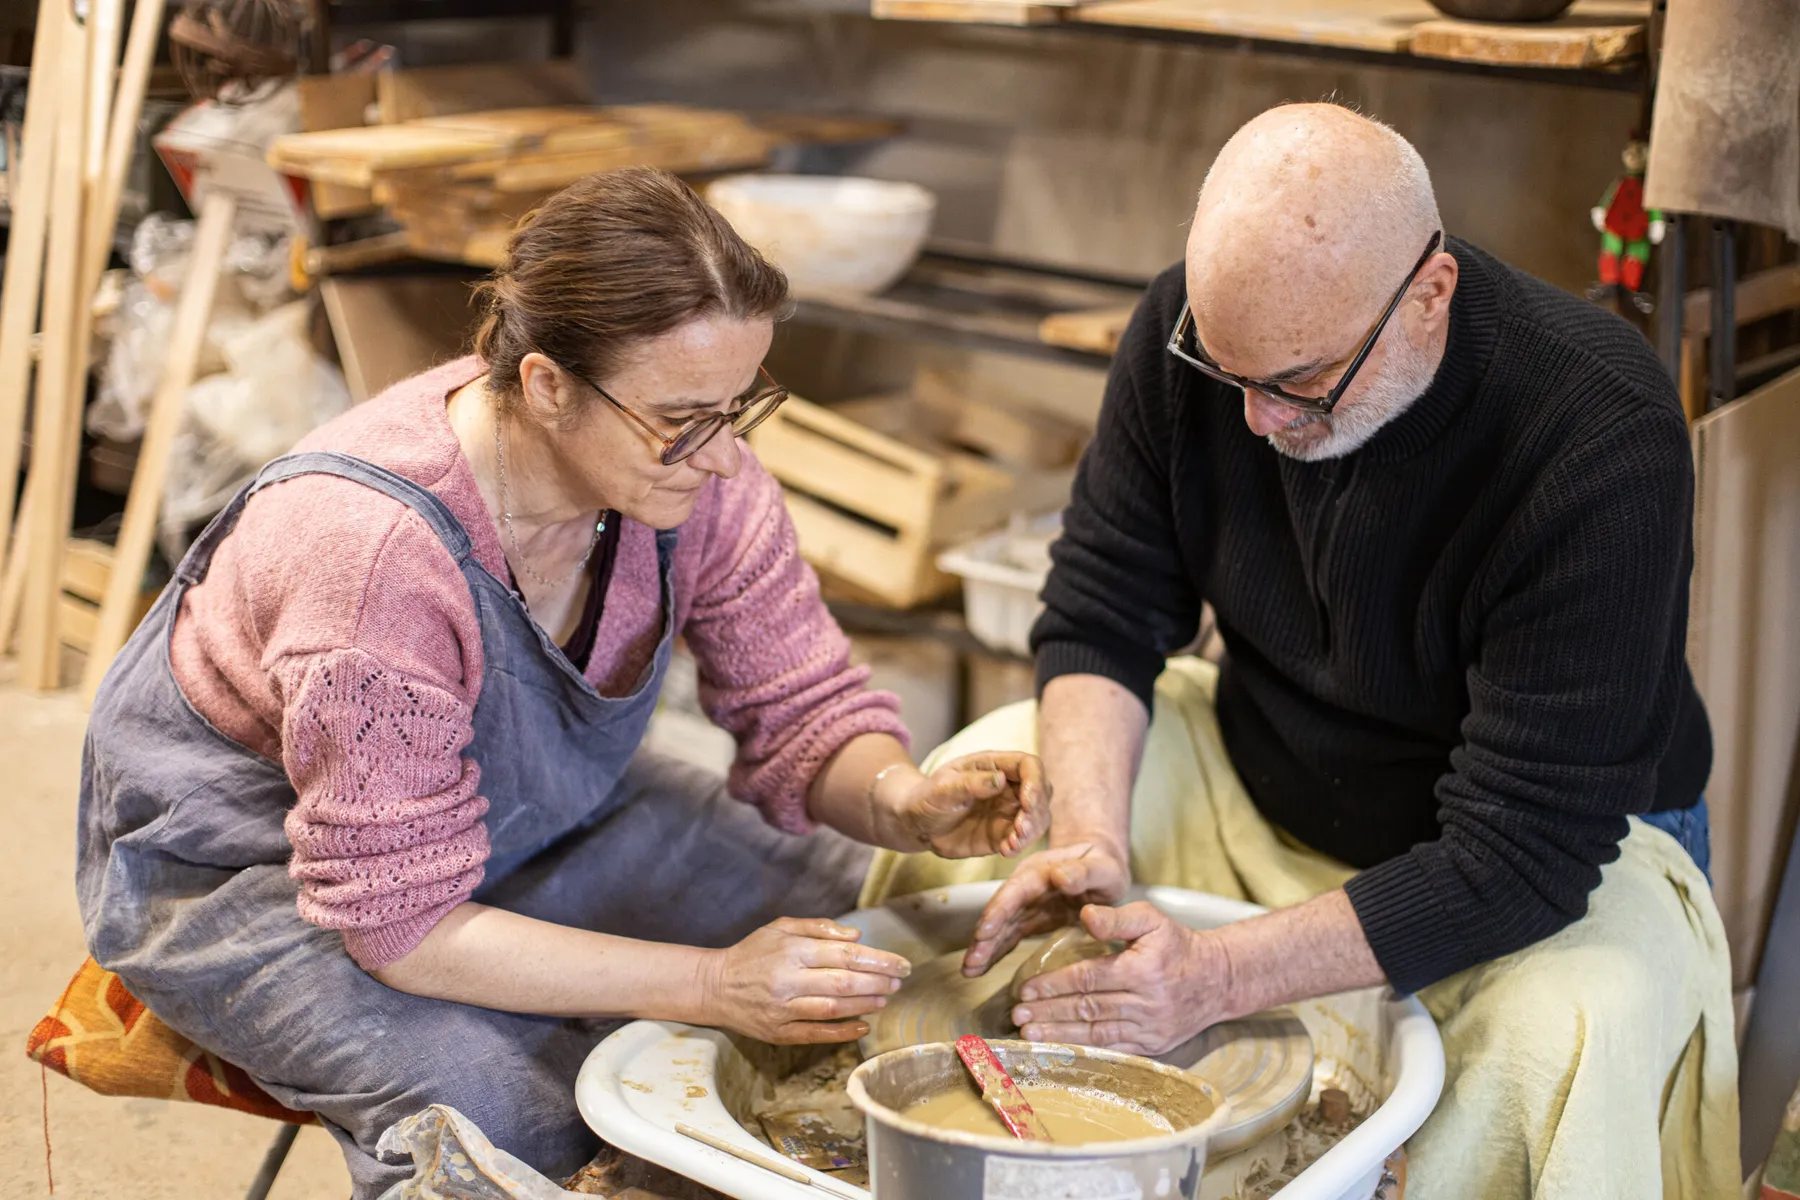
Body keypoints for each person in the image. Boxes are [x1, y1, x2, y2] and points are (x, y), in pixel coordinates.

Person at [77, 166, 1047, 1197]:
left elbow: (800, 705)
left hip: (517, 819)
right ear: (545, 385)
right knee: (516, 1111)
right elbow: (400, 925)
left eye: (739, 406)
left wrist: (906, 800)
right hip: (253, 878)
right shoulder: (369, 554)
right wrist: (714, 985)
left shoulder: (690, 471)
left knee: (866, 933)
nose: (723, 457)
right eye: (684, 416)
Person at [932, 104, 1738, 1195]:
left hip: (1546, 854)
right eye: (1231, 376)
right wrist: (1090, 834)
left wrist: (1215, 975)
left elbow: (1522, 854)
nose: (1256, 423)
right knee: (992, 788)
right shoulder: (1194, 330)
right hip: (1269, 776)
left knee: (1569, 1037)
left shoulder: (1596, 431)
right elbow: (1105, 608)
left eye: (1299, 383)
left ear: (1429, 297)